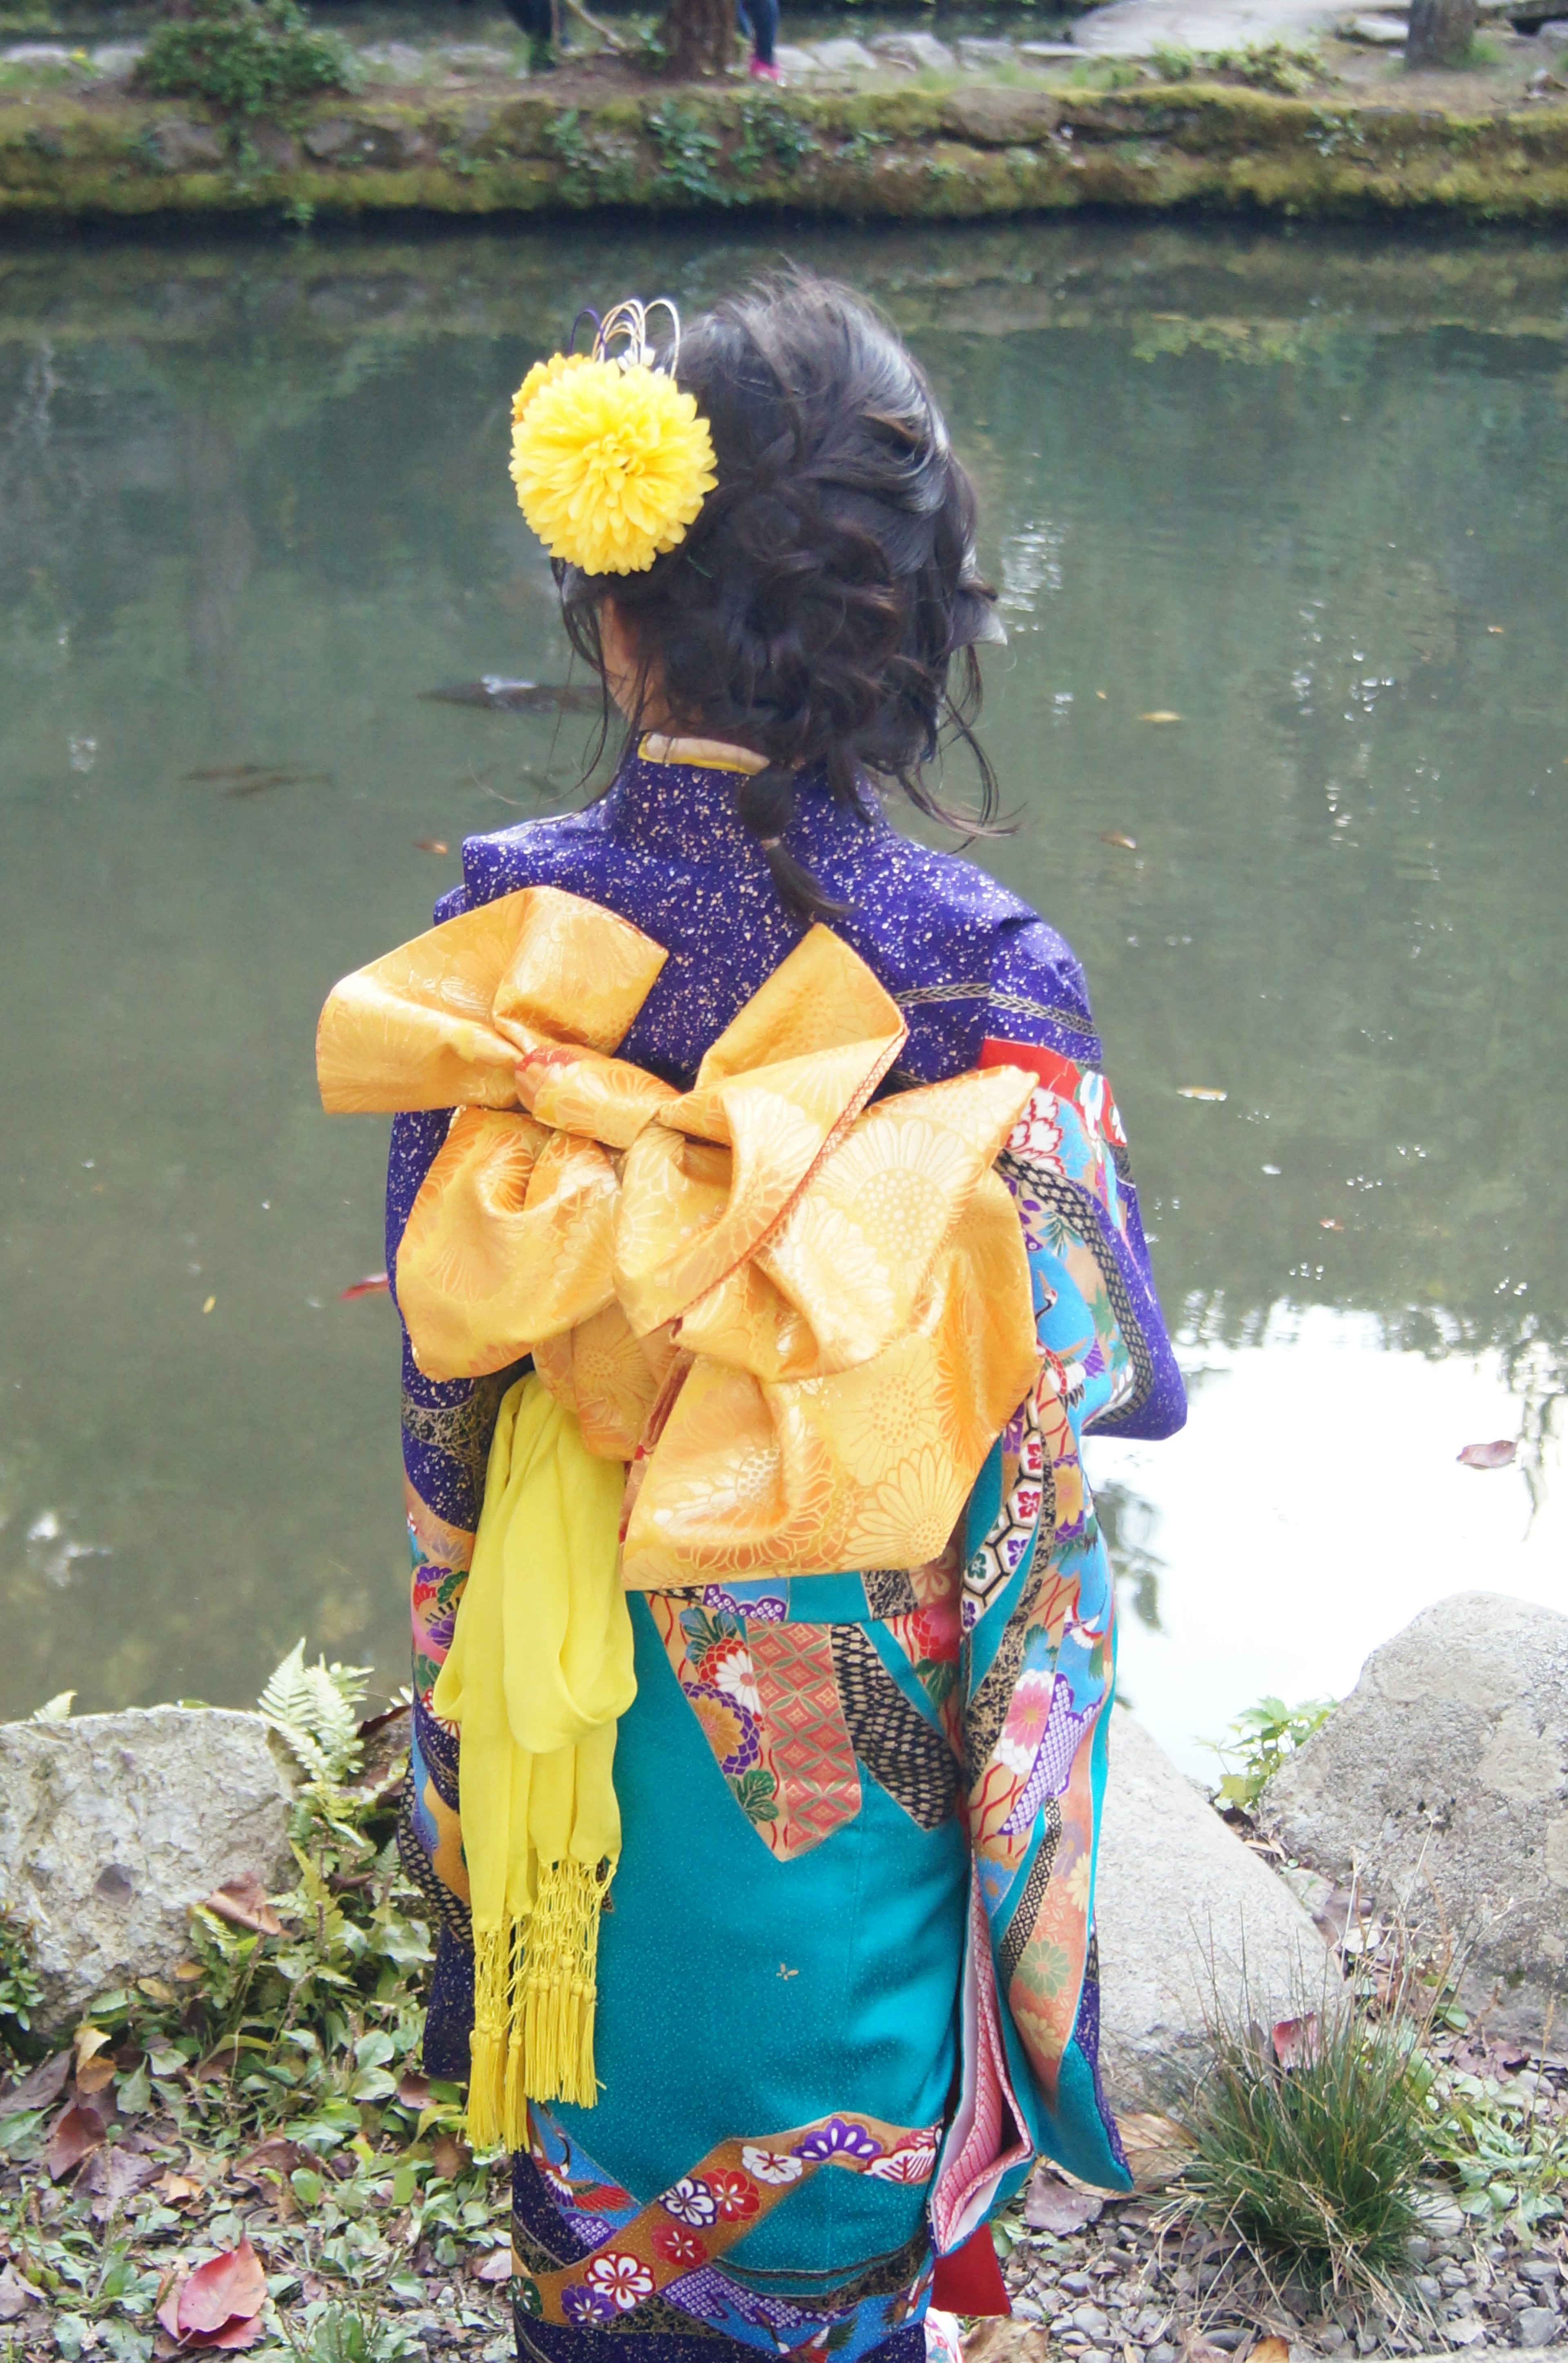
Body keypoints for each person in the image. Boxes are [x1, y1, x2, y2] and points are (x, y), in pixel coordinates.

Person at [317, 274, 1185, 2363]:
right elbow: (1099, 1385)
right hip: (856, 1712)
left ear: (617, 613)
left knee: (590, 2060)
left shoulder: (506, 931)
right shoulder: (983, 966)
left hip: (579, 1647)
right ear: (913, 631)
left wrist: (456, 1620)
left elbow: (448, 1358)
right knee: (840, 2072)